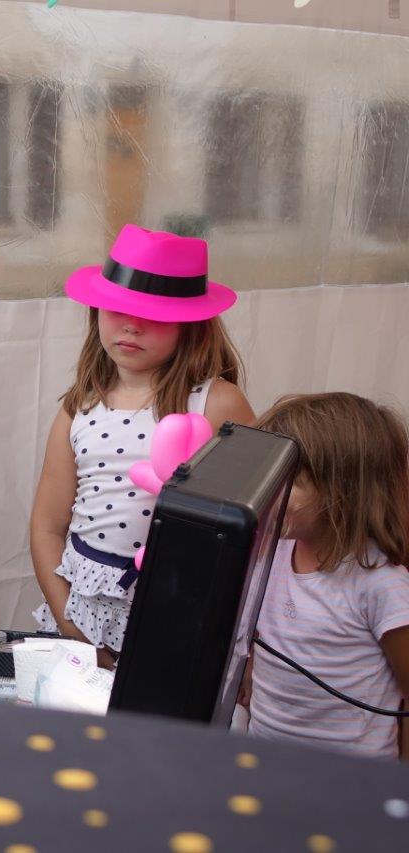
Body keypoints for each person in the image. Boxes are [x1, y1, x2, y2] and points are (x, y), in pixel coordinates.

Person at [30, 225, 255, 668]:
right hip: (84, 619)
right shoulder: (79, 409)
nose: (131, 325)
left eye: (154, 313)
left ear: (190, 323)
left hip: (181, 617)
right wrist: (72, 627)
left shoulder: (217, 402)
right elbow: (47, 526)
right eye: (117, 308)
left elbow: (252, 530)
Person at [246, 393, 409, 760]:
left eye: (289, 481)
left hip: (346, 782)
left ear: (344, 491)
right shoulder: (275, 552)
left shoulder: (383, 586)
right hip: (264, 758)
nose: (266, 491)